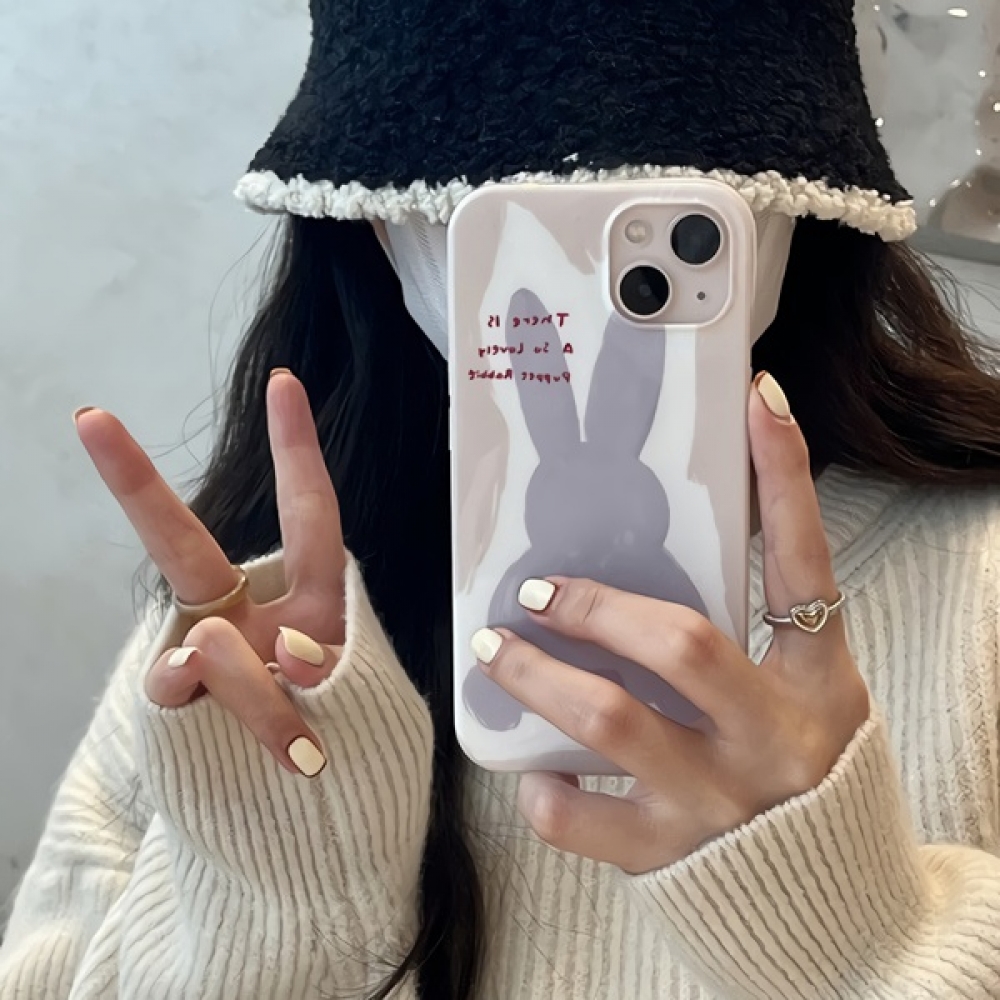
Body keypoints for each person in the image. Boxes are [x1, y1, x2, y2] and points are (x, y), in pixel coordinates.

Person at [2, 2, 1000, 999]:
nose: (572, 264)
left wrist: (852, 942)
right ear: (370, 220)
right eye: (490, 201)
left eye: (660, 186)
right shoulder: (252, 636)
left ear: (804, 205)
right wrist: (284, 899)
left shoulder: (979, 578)